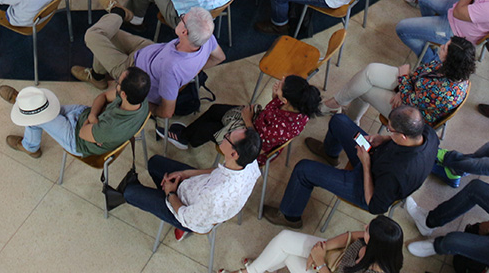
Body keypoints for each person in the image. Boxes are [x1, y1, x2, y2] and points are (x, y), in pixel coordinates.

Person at [264, 106, 438, 229]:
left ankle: (289, 216)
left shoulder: (398, 172)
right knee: (338, 120)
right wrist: (383, 138)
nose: (388, 131)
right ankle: (329, 154)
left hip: (366, 186)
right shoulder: (426, 133)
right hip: (375, 158)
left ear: (403, 137)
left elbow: (375, 206)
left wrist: (366, 164)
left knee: (303, 170)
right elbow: (396, 139)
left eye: (390, 130)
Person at [74, 7, 225, 121]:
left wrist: (142, 105)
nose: (181, 17)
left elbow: (166, 112)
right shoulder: (206, 37)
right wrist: (194, 69)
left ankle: (118, 12)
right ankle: (97, 76)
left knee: (94, 35)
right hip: (149, 51)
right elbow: (219, 57)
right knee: (105, 34)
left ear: (185, 32)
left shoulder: (172, 67)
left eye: (182, 18)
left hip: (133, 72)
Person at [123, 126, 263, 238]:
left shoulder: (214, 196)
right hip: (197, 188)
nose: (225, 134)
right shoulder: (249, 162)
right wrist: (186, 174)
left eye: (228, 137)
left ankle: (165, 202)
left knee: (129, 192)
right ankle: (162, 195)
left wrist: (170, 193)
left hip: (187, 213)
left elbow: (186, 217)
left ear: (234, 154)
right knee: (154, 163)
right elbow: (219, 171)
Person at [161, 74, 322, 165]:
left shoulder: (283, 126)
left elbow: (259, 144)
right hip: (257, 122)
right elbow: (273, 108)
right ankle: (187, 136)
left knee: (210, 129)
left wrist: (248, 120)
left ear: (286, 100)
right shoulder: (299, 104)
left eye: (280, 85)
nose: (278, 81)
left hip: (251, 144)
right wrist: (275, 96)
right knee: (215, 109)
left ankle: (187, 139)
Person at [0, 67, 150, 158]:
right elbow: (102, 96)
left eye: (117, 83)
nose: (115, 82)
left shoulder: (111, 127)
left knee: (37, 115)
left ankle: (23, 106)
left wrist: (92, 121)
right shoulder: (139, 99)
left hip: (76, 139)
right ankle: (26, 104)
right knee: (46, 108)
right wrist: (92, 117)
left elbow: (83, 133)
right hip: (86, 116)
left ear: (123, 94)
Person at [322, 36, 476, 125]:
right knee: (371, 71)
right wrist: (406, 84)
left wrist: (403, 84)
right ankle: (336, 103)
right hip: (413, 89)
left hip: (411, 114)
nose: (441, 47)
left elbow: (413, 103)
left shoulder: (445, 91)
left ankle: (350, 120)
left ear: (451, 60)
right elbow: (422, 75)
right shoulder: (452, 69)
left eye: (444, 49)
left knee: (365, 90)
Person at [226, 215, 405, 273]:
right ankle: (255, 270)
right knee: (284, 238)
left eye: (368, 231)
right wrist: (322, 248)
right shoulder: (383, 247)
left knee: (287, 256)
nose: (364, 228)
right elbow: (350, 236)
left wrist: (319, 262)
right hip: (334, 254)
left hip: (328, 268)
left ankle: (255, 269)